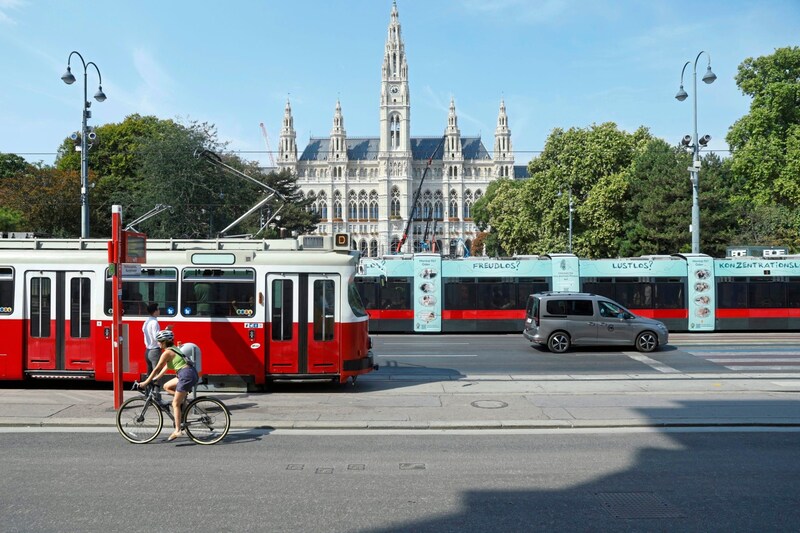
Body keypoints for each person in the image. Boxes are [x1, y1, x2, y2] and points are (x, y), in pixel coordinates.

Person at [136, 329, 199, 441]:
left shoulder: (167, 352)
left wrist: (146, 382)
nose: (158, 343)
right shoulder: (173, 349)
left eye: (159, 341)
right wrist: (157, 378)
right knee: (166, 386)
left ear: (164, 341)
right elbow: (166, 367)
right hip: (188, 373)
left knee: (175, 403)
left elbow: (157, 368)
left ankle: (178, 430)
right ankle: (182, 399)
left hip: (185, 375)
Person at [141, 303, 161, 395]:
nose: (159, 311)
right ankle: (157, 396)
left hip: (147, 351)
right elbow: (156, 337)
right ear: (155, 311)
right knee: (156, 375)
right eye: (158, 309)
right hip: (155, 351)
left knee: (149, 374)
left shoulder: (147, 321)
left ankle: (147, 394)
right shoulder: (155, 322)